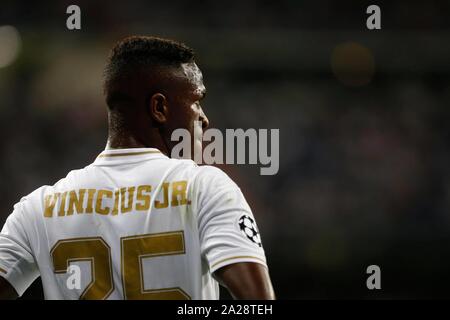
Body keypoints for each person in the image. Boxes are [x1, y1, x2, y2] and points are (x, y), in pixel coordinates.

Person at [0, 36, 275, 300]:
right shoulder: (206, 187)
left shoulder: (38, 207)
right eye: (196, 101)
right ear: (159, 107)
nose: (203, 118)